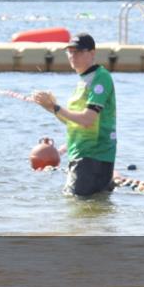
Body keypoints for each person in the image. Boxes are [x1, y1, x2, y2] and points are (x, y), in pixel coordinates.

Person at [33, 33, 117, 197]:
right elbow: (73, 121)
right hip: (81, 154)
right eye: (70, 52)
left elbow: (87, 119)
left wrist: (55, 107)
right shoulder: (83, 80)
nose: (73, 56)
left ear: (92, 53)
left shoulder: (100, 78)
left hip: (93, 156)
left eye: (78, 52)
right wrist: (49, 107)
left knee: (75, 204)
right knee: (91, 210)